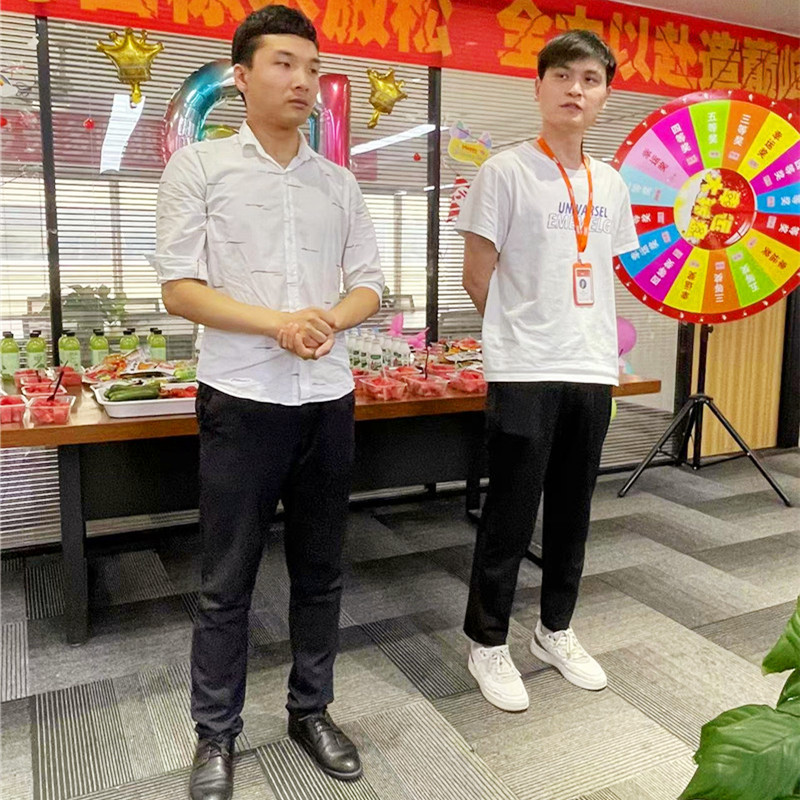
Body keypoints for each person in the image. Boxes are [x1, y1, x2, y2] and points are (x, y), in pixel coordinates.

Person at [154, 6, 384, 798]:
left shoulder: (339, 182)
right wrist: (278, 324)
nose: (302, 81)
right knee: (228, 578)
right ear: (242, 76)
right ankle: (215, 734)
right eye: (284, 63)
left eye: (312, 68)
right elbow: (180, 288)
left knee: (321, 569)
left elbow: (369, 285)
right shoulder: (201, 167)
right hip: (242, 399)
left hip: (328, 397)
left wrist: (328, 320)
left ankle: (310, 711)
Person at [456, 30, 638, 712]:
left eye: (589, 79)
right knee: (509, 509)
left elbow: (601, 270)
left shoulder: (611, 182)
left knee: (572, 510)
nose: (575, 89)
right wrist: (520, 333)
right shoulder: (504, 171)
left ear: (604, 95)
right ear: (538, 87)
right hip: (527, 366)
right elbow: (478, 276)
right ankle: (487, 641)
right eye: (561, 75)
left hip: (591, 366)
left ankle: (554, 630)